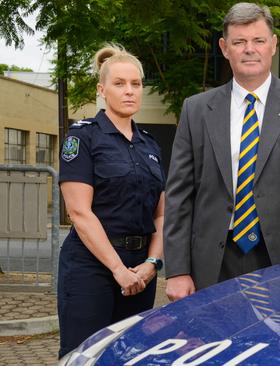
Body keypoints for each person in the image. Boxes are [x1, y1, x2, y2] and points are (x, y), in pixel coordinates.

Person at [164, 2, 280, 300]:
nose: (250, 49)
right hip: (214, 262)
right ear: (224, 47)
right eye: (239, 42)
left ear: (273, 45)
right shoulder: (195, 109)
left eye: (258, 40)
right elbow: (179, 193)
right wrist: (178, 270)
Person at [56, 44, 165, 358]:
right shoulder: (83, 137)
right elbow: (79, 211)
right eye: (119, 84)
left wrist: (151, 264)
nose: (129, 91)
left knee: (129, 356)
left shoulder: (150, 144)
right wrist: (118, 270)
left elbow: (161, 215)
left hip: (141, 269)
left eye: (136, 84)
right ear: (101, 90)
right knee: (84, 356)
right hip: (92, 266)